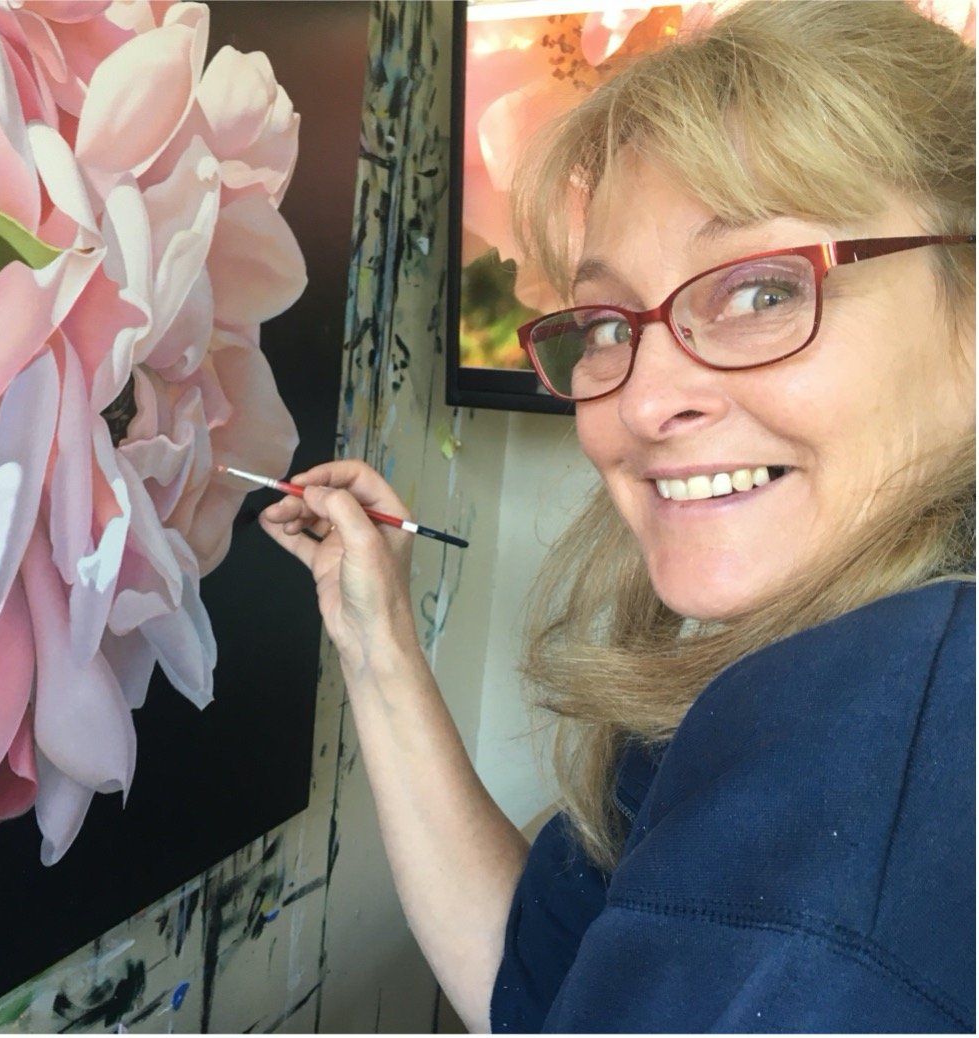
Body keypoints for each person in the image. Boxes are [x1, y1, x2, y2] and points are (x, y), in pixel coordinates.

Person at [258, 1, 975, 1031]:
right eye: (604, 321)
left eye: (762, 291)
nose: (640, 404)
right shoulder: (818, 646)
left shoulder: (861, 794)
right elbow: (545, 989)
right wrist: (373, 631)